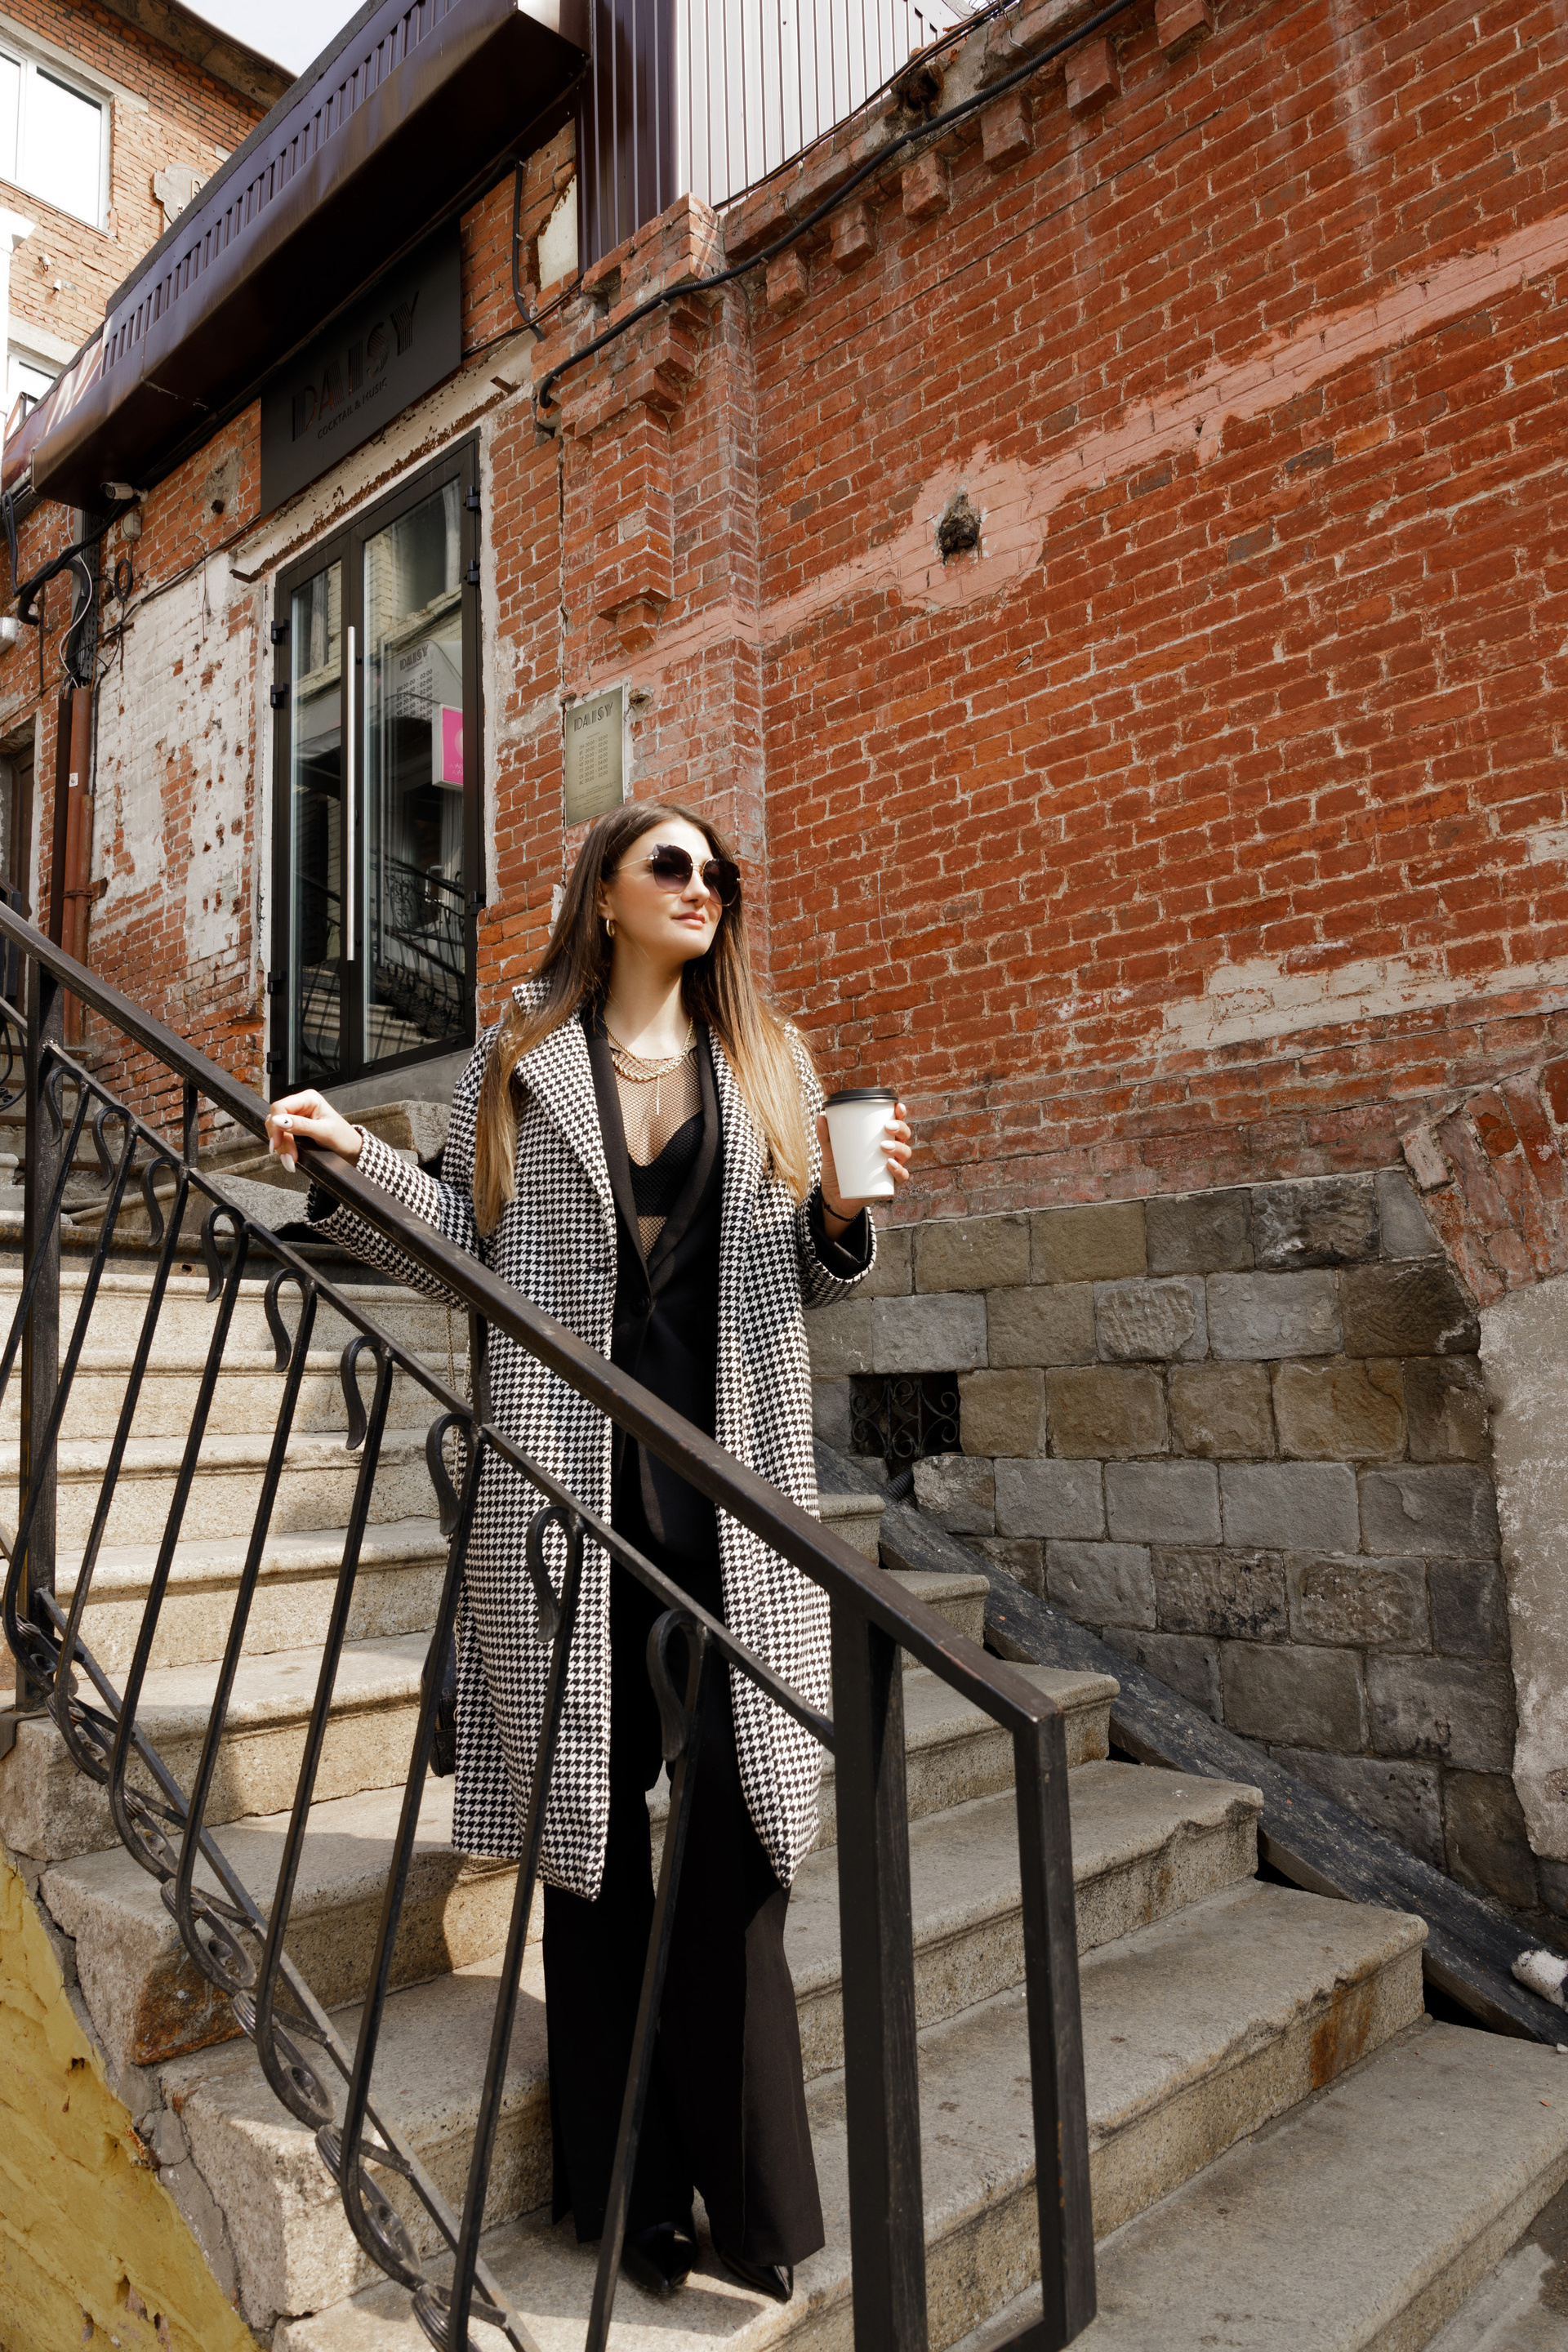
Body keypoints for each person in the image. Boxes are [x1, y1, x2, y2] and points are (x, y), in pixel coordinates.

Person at [265, 802, 912, 2305]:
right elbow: (468, 1248)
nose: (702, 887)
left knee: (742, 1844)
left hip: (734, 1500)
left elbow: (809, 1276)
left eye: (717, 871)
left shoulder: (773, 1060)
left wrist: (840, 1213)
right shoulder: (521, 1059)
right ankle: (626, 2199)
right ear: (606, 896)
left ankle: (756, 2202)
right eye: (668, 865)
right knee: (595, 1847)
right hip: (567, 1499)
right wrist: (351, 1158)